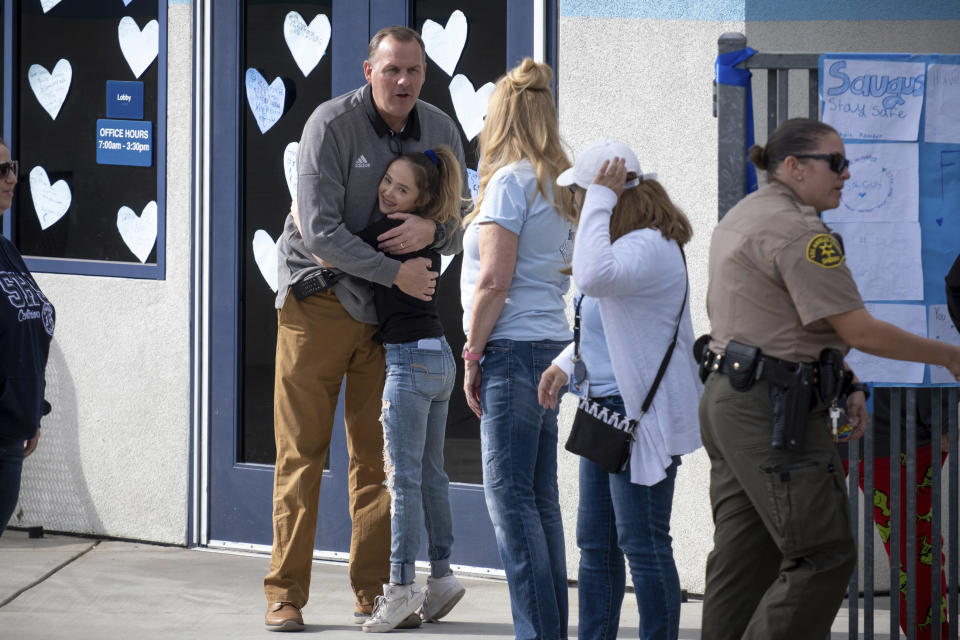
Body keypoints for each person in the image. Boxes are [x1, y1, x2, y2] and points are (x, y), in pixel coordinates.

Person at [699, 117, 960, 640]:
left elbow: (779, 324)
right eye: (835, 162)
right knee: (824, 554)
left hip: (733, 396)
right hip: (772, 411)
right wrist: (951, 356)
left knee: (745, 559)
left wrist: (845, 381)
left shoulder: (748, 213)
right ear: (793, 167)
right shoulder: (799, 230)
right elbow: (860, 330)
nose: (846, 174)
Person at [264, 26, 468, 632]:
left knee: (378, 460)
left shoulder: (440, 130)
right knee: (300, 454)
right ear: (368, 70)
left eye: (413, 71)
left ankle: (375, 593)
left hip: (388, 321)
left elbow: (460, 216)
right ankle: (285, 594)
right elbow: (320, 232)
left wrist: (435, 235)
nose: (402, 81)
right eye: (391, 70)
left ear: (424, 74)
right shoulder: (330, 125)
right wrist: (395, 272)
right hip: (317, 304)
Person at [537, 140, 703, 640]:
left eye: (582, 198)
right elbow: (610, 322)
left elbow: (591, 275)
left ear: (611, 196)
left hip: (638, 419)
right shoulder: (625, 244)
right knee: (597, 546)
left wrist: (603, 198)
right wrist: (567, 364)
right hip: (605, 411)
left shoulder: (649, 244)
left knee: (643, 544)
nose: (579, 208)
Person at [459, 58, 575, 640]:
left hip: (509, 349)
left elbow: (493, 281)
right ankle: (550, 626)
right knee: (539, 498)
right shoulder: (560, 181)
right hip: (549, 345)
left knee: (511, 499)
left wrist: (472, 354)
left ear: (501, 117)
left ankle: (537, 631)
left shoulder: (507, 181)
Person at [348, 147, 466, 632]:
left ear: (421, 200)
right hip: (441, 355)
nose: (389, 192)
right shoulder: (428, 239)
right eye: (388, 182)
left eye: (402, 189)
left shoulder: (384, 234)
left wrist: (301, 217)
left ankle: (399, 589)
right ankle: (442, 577)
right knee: (432, 474)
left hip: (409, 362)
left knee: (404, 480)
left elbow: (331, 244)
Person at [0, 138, 55, 536]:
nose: (13, 179)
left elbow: (34, 332)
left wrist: (33, 408)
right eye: (2, 171)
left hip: (12, 433)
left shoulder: (7, 252)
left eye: (12, 167)